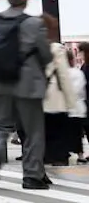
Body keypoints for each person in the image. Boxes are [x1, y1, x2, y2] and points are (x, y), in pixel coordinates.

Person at [0, 0, 53, 189]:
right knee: (33, 131)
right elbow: (46, 55)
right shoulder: (33, 24)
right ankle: (32, 175)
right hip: (27, 83)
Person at [41, 16, 77, 169]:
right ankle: (59, 157)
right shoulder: (56, 48)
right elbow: (63, 75)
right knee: (59, 128)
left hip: (37, 95)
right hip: (54, 94)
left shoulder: (30, 47)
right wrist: (71, 101)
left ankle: (45, 156)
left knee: (43, 129)